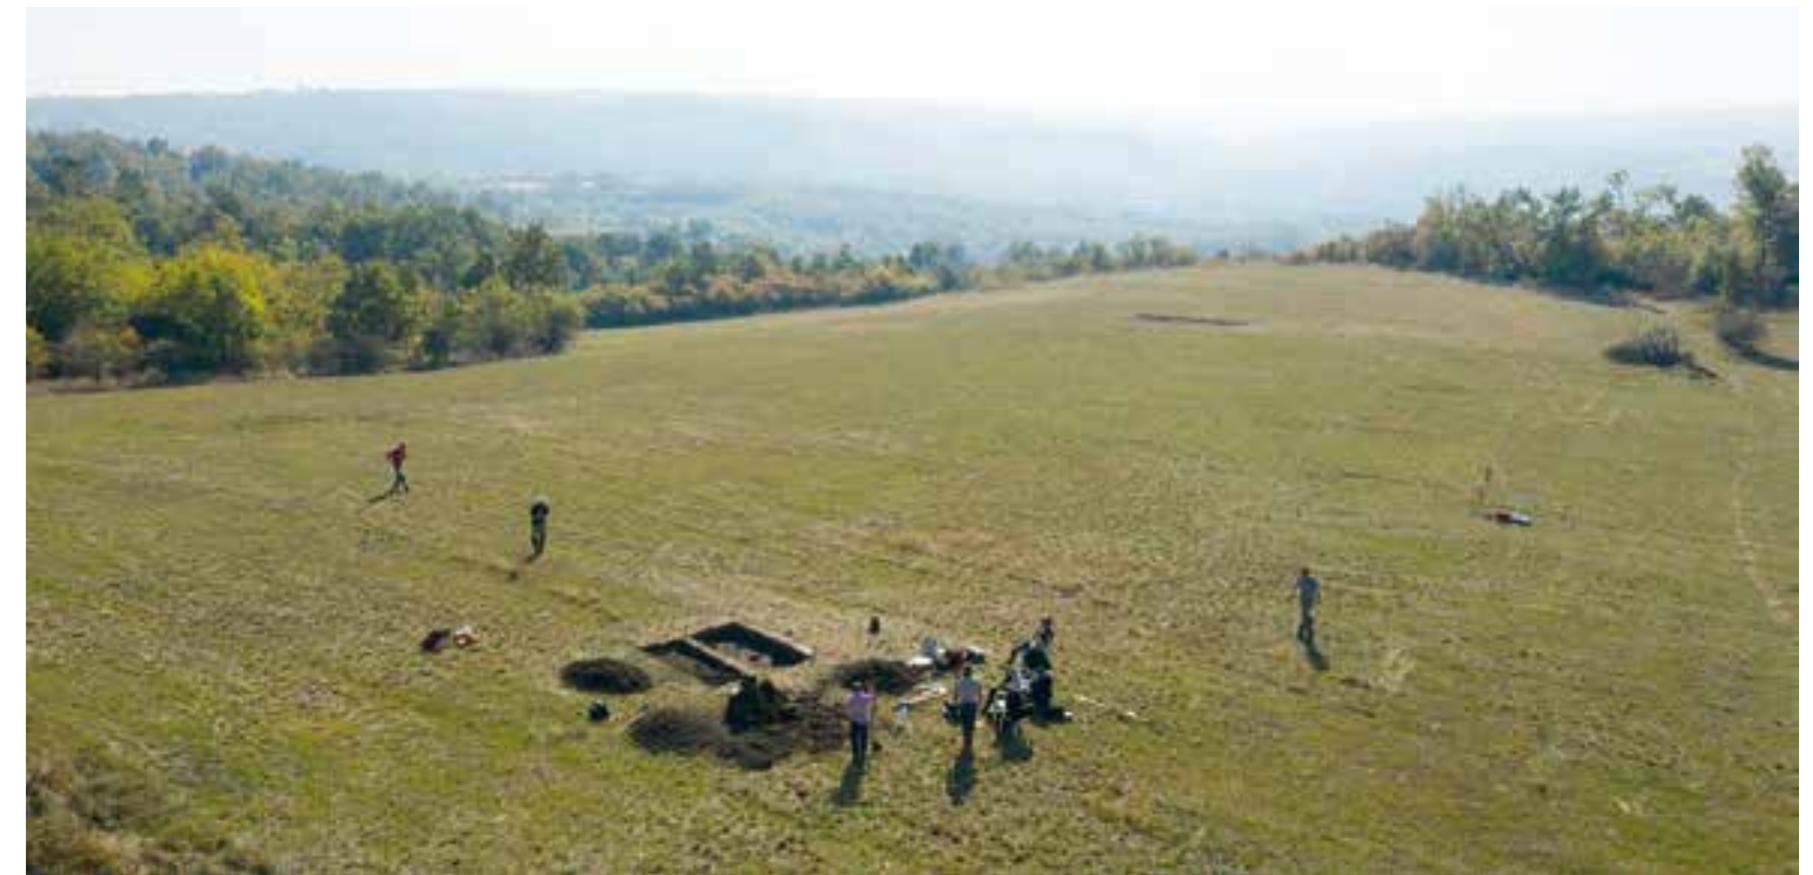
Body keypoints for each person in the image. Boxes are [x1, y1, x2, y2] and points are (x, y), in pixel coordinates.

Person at [846, 679, 878, 769]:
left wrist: (850, 715)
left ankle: (855, 754)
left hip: (854, 721)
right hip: (865, 721)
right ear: (861, 689)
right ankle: (863, 753)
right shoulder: (865, 697)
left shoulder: (850, 698)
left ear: (853, 689)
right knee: (864, 737)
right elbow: (874, 698)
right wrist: (872, 689)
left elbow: (847, 707)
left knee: (854, 738)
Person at [951, 665, 983, 751]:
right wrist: (979, 704)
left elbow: (955, 696)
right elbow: (980, 695)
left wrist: (954, 704)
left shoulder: (958, 682)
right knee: (971, 722)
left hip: (963, 705)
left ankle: (966, 740)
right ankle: (969, 741)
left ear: (963, 672)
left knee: (964, 723)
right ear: (971, 673)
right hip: (973, 704)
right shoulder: (977, 681)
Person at [1294, 567, 1321, 645]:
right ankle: (1303, 633)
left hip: (1306, 601)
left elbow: (1295, 586)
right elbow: (1317, 589)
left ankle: (1304, 633)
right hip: (1307, 601)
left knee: (1306, 617)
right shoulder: (1311, 580)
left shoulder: (1305, 580)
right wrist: (1319, 597)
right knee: (1307, 616)